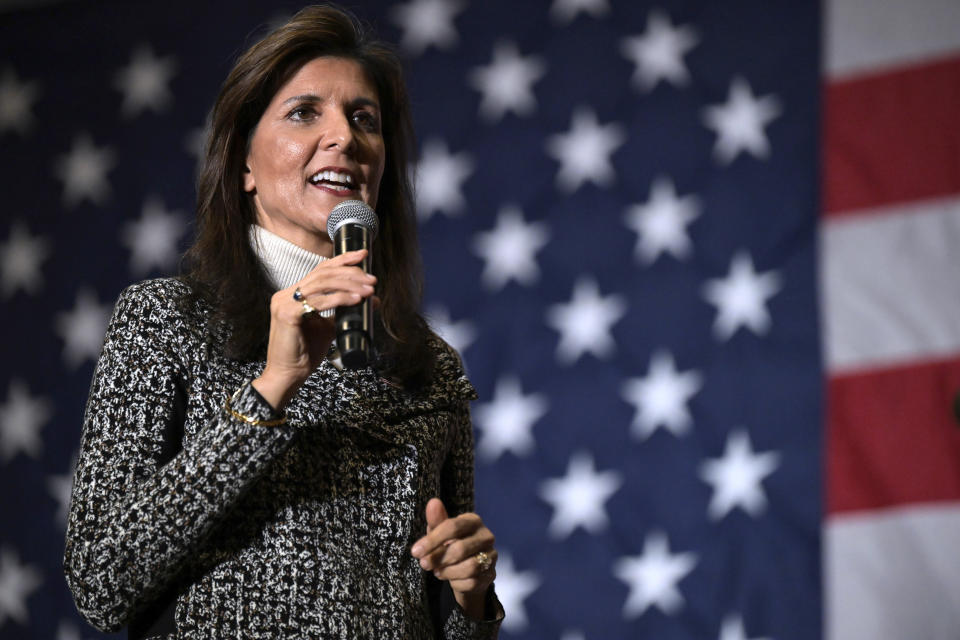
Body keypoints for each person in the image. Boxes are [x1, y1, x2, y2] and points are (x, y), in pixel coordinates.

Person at [63, 5, 504, 638]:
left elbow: (444, 606)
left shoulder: (428, 365)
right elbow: (101, 583)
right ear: (244, 163)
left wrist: (473, 598)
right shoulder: (164, 320)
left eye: (364, 119)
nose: (344, 138)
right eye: (304, 113)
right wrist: (269, 390)